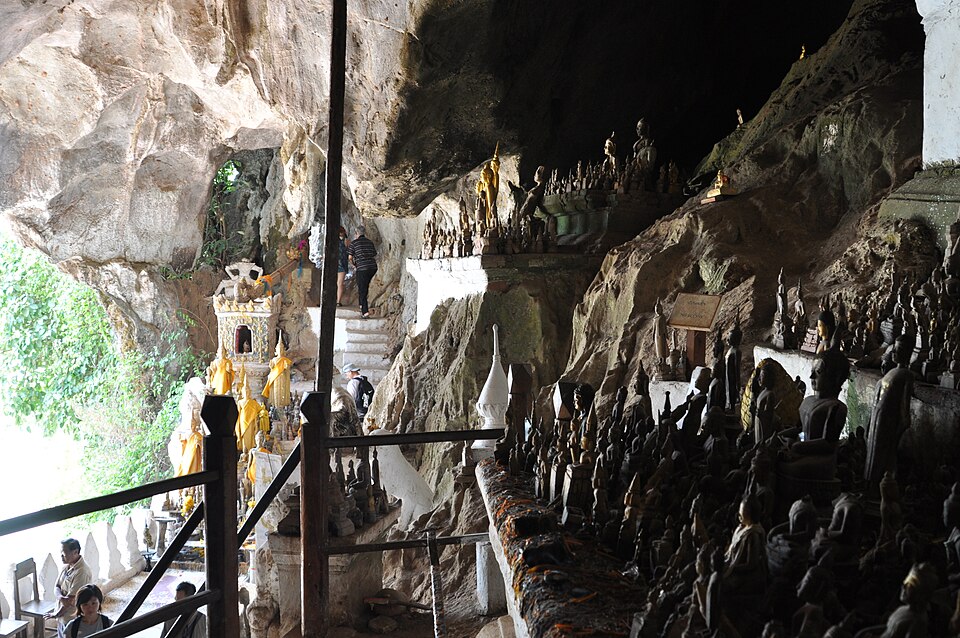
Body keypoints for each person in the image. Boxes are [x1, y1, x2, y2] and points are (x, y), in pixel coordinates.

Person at [46, 538, 94, 638]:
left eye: (64, 553)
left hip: (71, 617)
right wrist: (61, 598)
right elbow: (56, 587)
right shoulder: (66, 567)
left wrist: (57, 613)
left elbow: (70, 602)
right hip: (62, 616)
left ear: (75, 552)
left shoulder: (82, 572)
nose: (61, 556)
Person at [347, 227, 378, 318]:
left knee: (362, 289)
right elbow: (374, 254)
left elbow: (350, 257)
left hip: (362, 268)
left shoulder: (354, 243)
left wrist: (354, 265)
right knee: (366, 286)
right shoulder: (370, 242)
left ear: (357, 233)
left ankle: (365, 312)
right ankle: (361, 305)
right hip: (372, 267)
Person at [337, 225, 350, 306]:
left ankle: (338, 301)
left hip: (338, 263)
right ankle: (338, 301)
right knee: (339, 283)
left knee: (339, 283)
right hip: (341, 263)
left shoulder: (346, 241)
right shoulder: (346, 241)